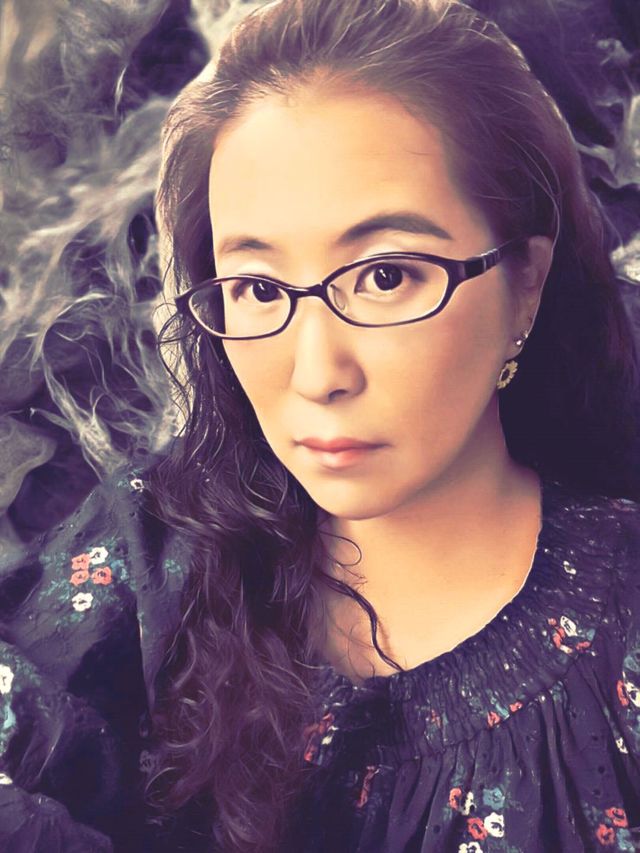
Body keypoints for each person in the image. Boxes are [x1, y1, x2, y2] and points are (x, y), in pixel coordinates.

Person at [1, 0, 640, 851]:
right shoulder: (156, 545)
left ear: (524, 281)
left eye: (386, 276)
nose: (316, 374)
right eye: (258, 289)